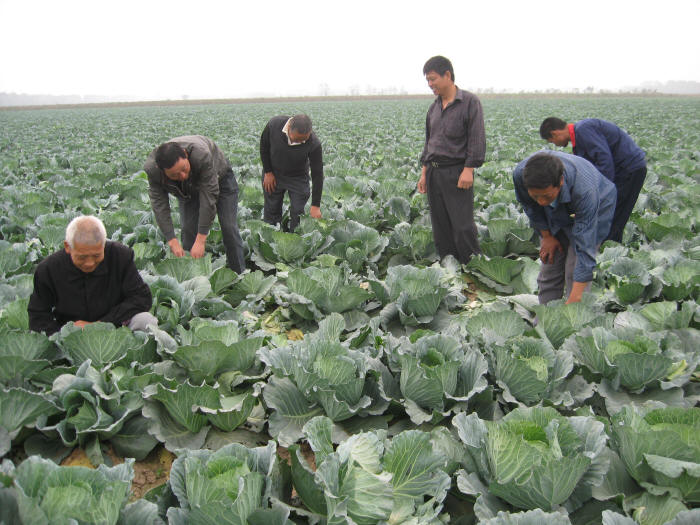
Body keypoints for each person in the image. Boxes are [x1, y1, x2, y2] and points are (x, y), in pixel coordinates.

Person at [513, 151, 616, 305]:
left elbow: (585, 248)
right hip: (556, 208)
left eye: (546, 196)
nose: (541, 202)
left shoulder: (585, 192)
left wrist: (576, 297)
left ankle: (576, 313)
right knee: (550, 263)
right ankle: (545, 312)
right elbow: (529, 205)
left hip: (598, 205)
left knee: (574, 267)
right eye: (535, 196)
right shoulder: (521, 175)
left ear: (560, 181)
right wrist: (547, 236)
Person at [28, 216, 157, 335]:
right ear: (68, 247)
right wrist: (63, 336)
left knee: (145, 321)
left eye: (96, 255)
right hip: (71, 335)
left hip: (116, 328)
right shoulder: (48, 269)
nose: (89, 263)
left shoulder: (120, 256)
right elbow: (38, 315)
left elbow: (141, 298)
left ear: (103, 244)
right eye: (82, 257)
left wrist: (100, 325)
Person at [417, 55, 486, 264]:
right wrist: (424, 173)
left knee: (463, 225)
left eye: (433, 79)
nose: (430, 84)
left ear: (447, 75)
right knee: (440, 226)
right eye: (427, 81)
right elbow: (429, 143)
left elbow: (476, 138)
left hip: (457, 172)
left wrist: (469, 169)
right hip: (434, 172)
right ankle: (449, 267)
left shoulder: (469, 102)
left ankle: (472, 266)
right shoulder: (434, 108)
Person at [144, 135, 245, 273]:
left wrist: (201, 240)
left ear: (185, 154)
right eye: (174, 175)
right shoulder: (153, 171)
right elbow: (159, 205)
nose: (182, 176)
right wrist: (171, 239)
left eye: (184, 168)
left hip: (220, 178)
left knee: (228, 227)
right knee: (188, 229)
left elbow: (208, 199)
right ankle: (193, 276)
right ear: (162, 171)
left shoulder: (201, 155)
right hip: (187, 189)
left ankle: (238, 272)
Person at [539, 117, 646, 243]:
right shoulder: (580, 135)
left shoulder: (583, 130)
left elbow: (605, 163)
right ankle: (606, 245)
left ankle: (609, 247)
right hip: (622, 171)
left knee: (614, 215)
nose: (554, 144)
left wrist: (601, 195)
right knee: (611, 215)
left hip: (629, 170)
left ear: (554, 133)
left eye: (551, 141)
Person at [259, 114, 323, 231]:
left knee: (299, 213)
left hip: (298, 177)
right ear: (289, 127)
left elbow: (317, 174)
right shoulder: (274, 125)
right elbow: (264, 147)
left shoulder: (314, 143)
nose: (301, 142)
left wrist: (315, 205)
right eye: (297, 139)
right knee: (271, 211)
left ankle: (296, 237)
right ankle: (271, 237)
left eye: (304, 139)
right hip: (274, 174)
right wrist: (268, 172)